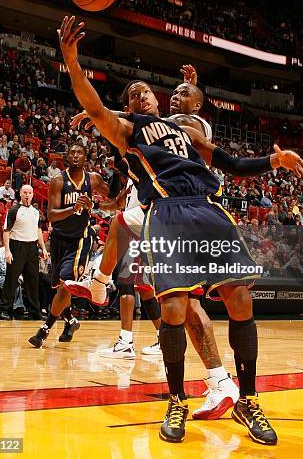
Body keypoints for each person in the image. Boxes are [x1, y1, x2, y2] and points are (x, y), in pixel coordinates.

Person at [58, 16, 303, 445]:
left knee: (240, 298)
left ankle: (247, 400)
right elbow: (97, 107)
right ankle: (176, 399)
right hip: (166, 213)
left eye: (147, 91)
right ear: (131, 107)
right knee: (173, 309)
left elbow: (228, 163)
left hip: (208, 210)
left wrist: (273, 161)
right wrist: (73, 65)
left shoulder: (185, 128)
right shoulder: (127, 131)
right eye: (135, 94)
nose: (145, 95)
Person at [68, 76, 241, 418]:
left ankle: (99, 286)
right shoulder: (155, 128)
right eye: (173, 92)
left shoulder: (186, 124)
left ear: (197, 104)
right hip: (169, 210)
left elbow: (164, 123)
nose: (176, 98)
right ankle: (220, 381)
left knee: (126, 233)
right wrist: (103, 112)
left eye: (183, 94)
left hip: (179, 209)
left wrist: (100, 111)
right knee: (186, 302)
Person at [28, 142, 109, 348]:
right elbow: (52, 216)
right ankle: (71, 322)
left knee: (65, 285)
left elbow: (114, 197)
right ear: (67, 157)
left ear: (85, 157)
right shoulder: (57, 181)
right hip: (59, 240)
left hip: (80, 239)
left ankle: (44, 330)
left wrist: (95, 205)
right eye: (71, 152)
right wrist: (74, 208)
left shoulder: (94, 179)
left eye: (79, 152)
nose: (75, 155)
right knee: (60, 287)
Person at [0, 184, 49, 320]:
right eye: (25, 192)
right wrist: (7, 251)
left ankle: (35, 311)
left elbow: (38, 231)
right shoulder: (14, 210)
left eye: (30, 193)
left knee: (33, 280)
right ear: (20, 194)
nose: (27, 195)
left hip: (32, 247)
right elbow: (6, 231)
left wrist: (43, 248)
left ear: (33, 195)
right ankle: (4, 309)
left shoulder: (35, 212)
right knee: (12, 279)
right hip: (16, 246)